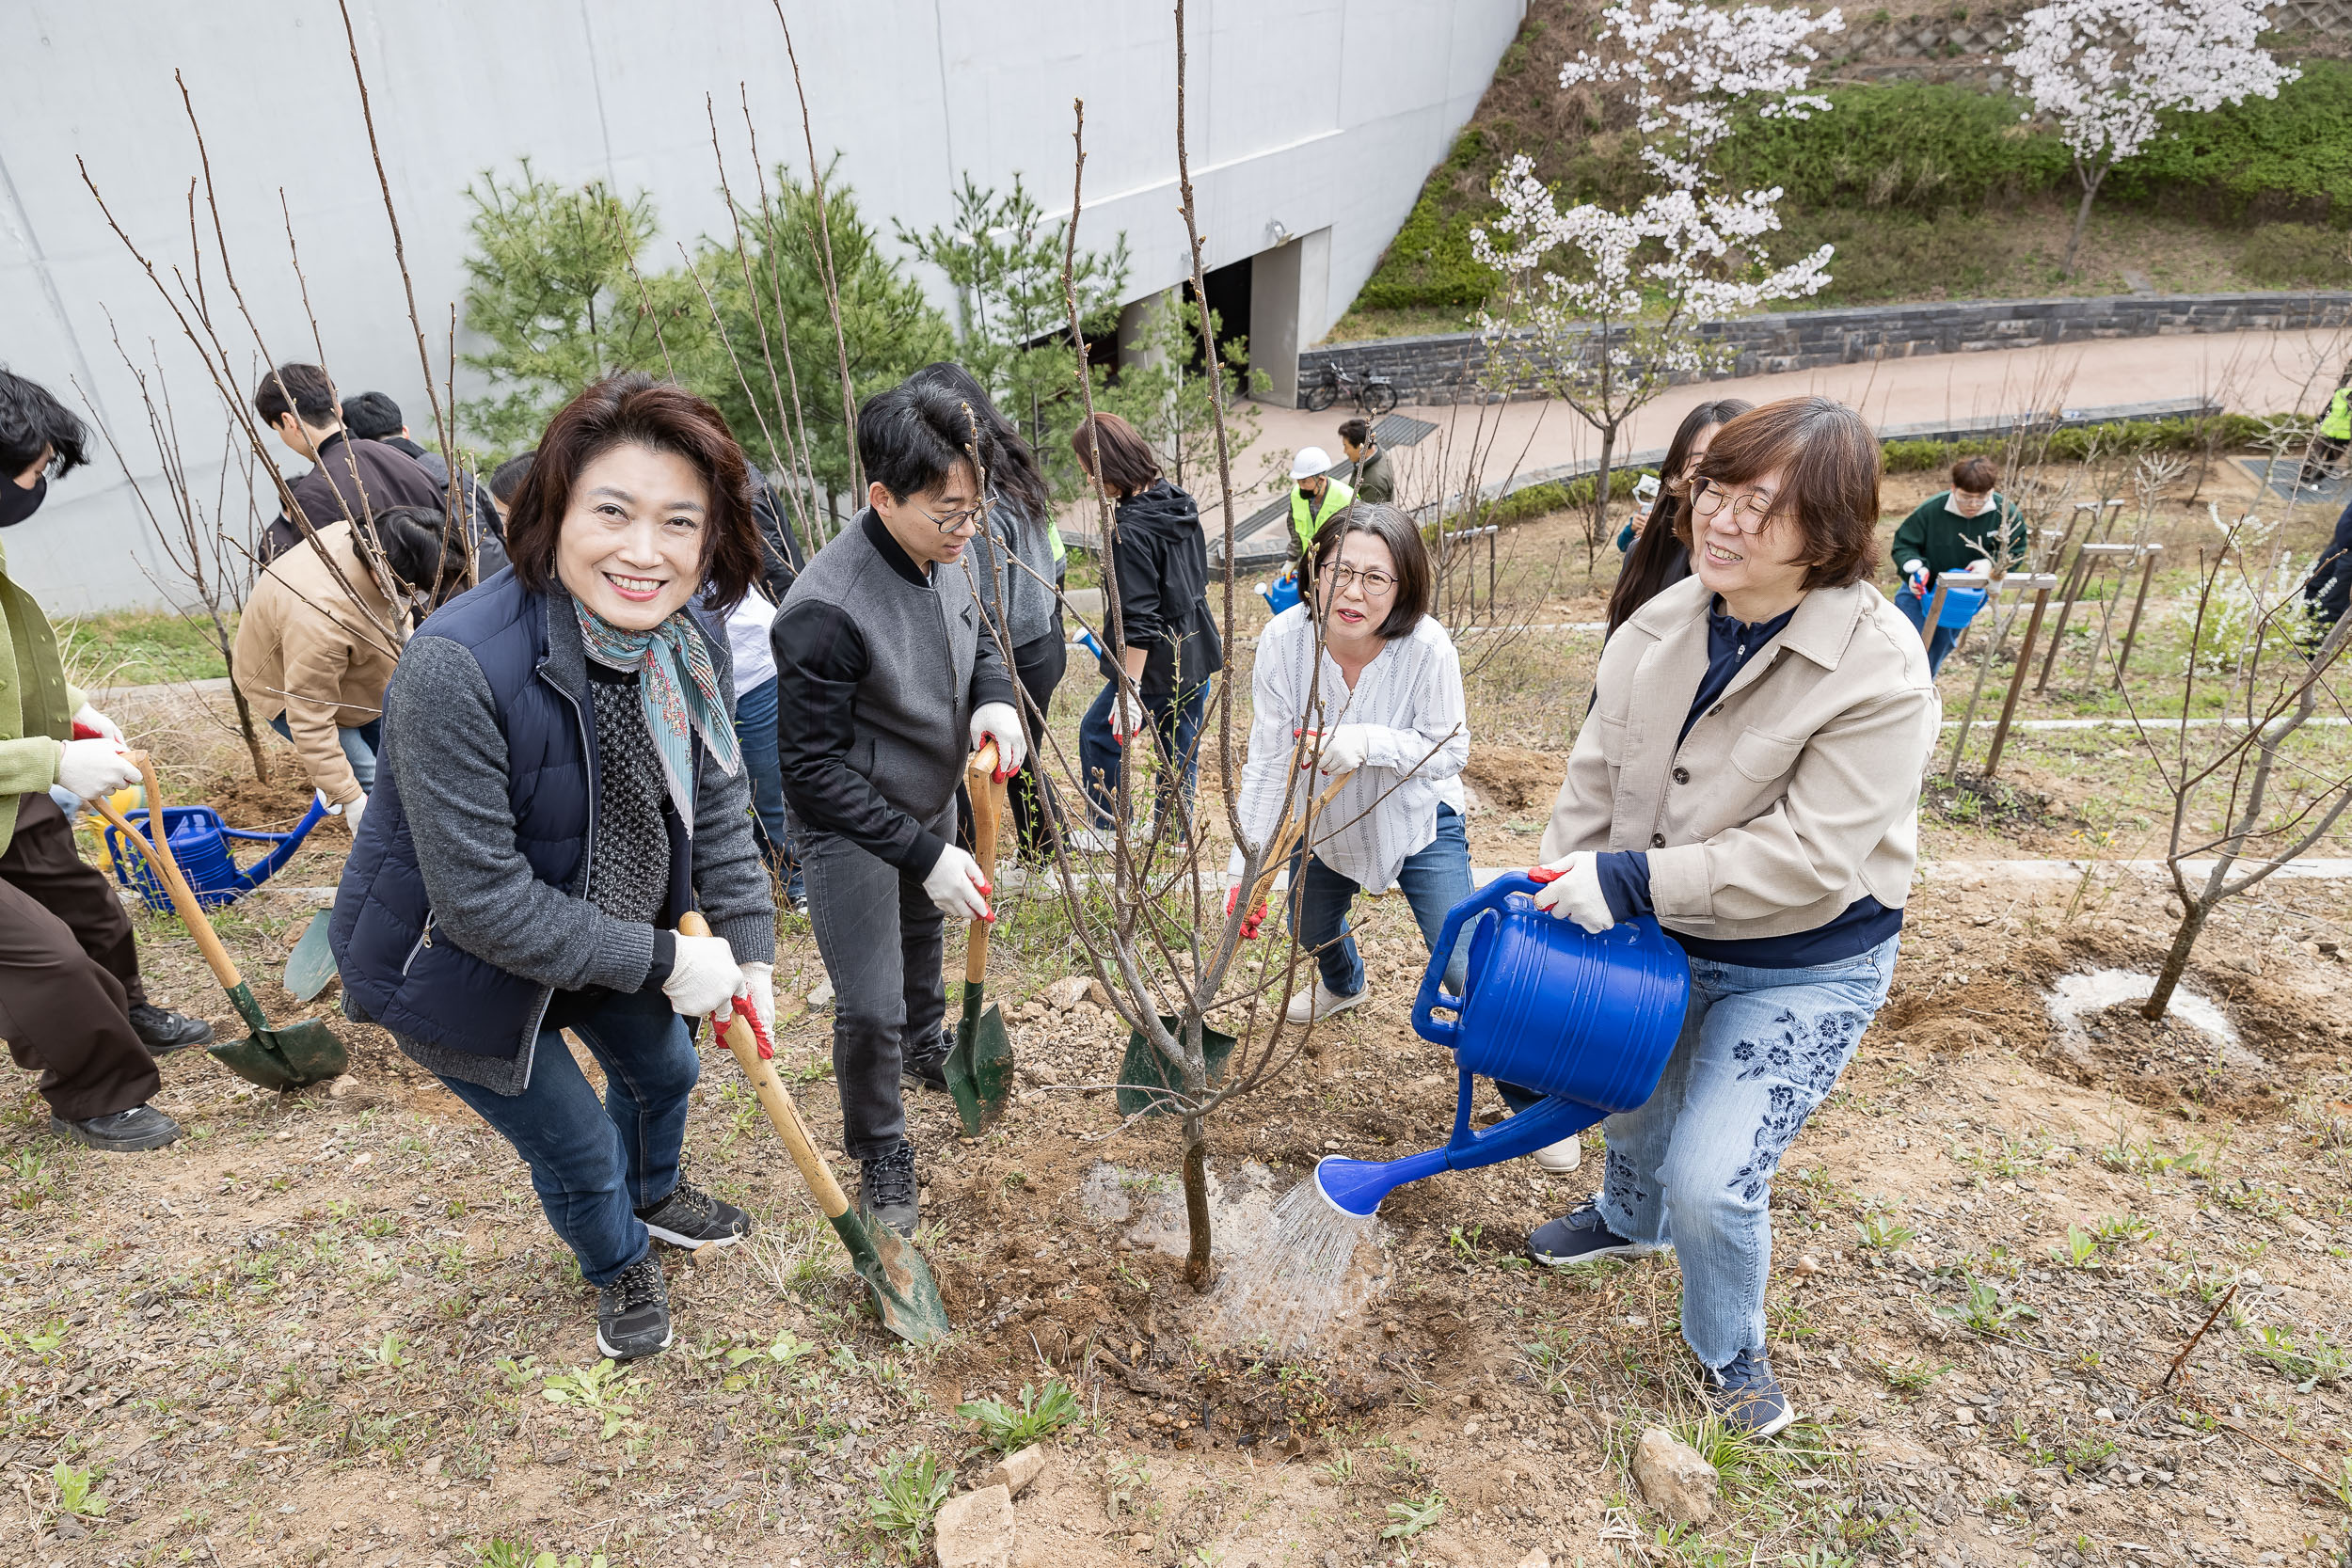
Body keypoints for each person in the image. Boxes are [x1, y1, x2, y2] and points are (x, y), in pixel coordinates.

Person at [329, 373, 777, 1360]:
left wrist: (749, 952)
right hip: (454, 955)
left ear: (712, 539)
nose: (642, 551)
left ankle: (653, 1193)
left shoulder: (690, 635)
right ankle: (616, 1258)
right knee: (575, 1144)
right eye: (611, 512)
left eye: (678, 522)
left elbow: (720, 805)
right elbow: (482, 904)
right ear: (553, 511)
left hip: (602, 927)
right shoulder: (457, 666)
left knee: (664, 1066)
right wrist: (666, 961)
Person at [1521, 395, 1937, 1437]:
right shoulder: (1656, 629)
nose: (1722, 519)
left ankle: (1727, 1344)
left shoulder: (1880, 672)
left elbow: (1811, 857)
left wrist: (1630, 882)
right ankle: (1626, 1218)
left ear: (1830, 537)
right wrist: (1562, 889)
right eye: (1715, 489)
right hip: (1664, 934)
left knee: (1711, 1176)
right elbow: (1593, 788)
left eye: (1765, 505)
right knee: (1632, 1102)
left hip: (1802, 960)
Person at [772, 380, 1025, 1239]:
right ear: (881, 498)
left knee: (926, 934)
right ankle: (880, 1143)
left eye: (972, 508)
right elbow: (808, 773)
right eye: (946, 514)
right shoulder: (823, 611)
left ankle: (929, 1044)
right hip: (852, 823)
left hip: (930, 790)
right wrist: (917, 852)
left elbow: (977, 634)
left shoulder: (950, 547)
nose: (965, 529)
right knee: (868, 1002)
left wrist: (994, 698)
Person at [0, 369, 215, 1152]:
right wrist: (52, 757)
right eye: (33, 469)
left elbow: (8, 664)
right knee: (45, 959)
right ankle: (94, 1088)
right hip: (17, 773)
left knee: (92, 911)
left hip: (8, 791)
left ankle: (125, 1007)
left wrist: (73, 712)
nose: (39, 485)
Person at [906, 362, 1067, 860]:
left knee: (993, 763)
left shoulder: (971, 506)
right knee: (1023, 760)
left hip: (1007, 654)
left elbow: (973, 607)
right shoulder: (1015, 470)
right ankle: (1044, 855)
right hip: (1044, 638)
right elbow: (1058, 559)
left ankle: (979, 859)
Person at [234, 506, 466, 833]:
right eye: (414, 588)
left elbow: (394, 619)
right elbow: (310, 716)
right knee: (372, 780)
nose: (420, 596)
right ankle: (394, 858)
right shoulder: (321, 619)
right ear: (381, 569)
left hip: (345, 669)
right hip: (287, 685)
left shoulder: (369, 539)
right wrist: (348, 795)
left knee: (401, 758)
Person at [1069, 412, 1223, 850]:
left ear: (1108, 467)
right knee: (1179, 743)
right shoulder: (1177, 501)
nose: (1088, 485)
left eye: (1089, 473)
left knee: (1099, 733)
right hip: (1195, 645)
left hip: (1155, 663)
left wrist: (1129, 688)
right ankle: (1174, 834)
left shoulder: (1129, 531)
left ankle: (1108, 829)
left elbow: (1138, 621)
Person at [254, 365, 444, 562]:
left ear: (289, 421)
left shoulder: (312, 495)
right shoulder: (402, 456)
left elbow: (332, 583)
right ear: (338, 407)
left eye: (278, 430)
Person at [1606, 400, 1754, 636]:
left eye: (1732, 463)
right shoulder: (1645, 557)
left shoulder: (1765, 566)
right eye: (1700, 464)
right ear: (1677, 476)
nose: (1716, 480)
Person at [342, 390, 510, 574]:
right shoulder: (449, 466)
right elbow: (494, 523)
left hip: (450, 588)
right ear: (405, 431)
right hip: (499, 571)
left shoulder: (376, 483)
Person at [1890, 455, 2028, 675]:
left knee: (1940, 644)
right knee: (1902, 641)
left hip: (1964, 596)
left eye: (1981, 498)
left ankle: (1924, 686)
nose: (1973, 505)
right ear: (1954, 488)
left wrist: (1988, 566)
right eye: (1965, 497)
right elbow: (1904, 544)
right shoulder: (1932, 511)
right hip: (1922, 589)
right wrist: (1915, 569)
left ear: (1991, 491)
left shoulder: (2005, 513)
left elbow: (2016, 550)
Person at [1286, 447, 1354, 561]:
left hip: (1335, 563)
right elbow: (1294, 531)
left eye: (1304, 481)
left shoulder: (1346, 498)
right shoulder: (1296, 494)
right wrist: (1292, 558)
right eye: (1298, 481)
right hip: (1309, 561)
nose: (1300, 486)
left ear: (1321, 480)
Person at [2303, 372, 2352, 486]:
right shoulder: (2341, 393)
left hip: (2344, 436)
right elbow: (2329, 407)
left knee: (2331, 461)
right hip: (2327, 431)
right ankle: (2303, 478)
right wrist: (2318, 421)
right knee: (2315, 456)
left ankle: (2318, 479)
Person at [1338, 418, 1393, 504]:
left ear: (1361, 446)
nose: (1344, 451)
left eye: (1346, 446)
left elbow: (1368, 515)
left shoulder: (1373, 483)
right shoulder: (1378, 451)